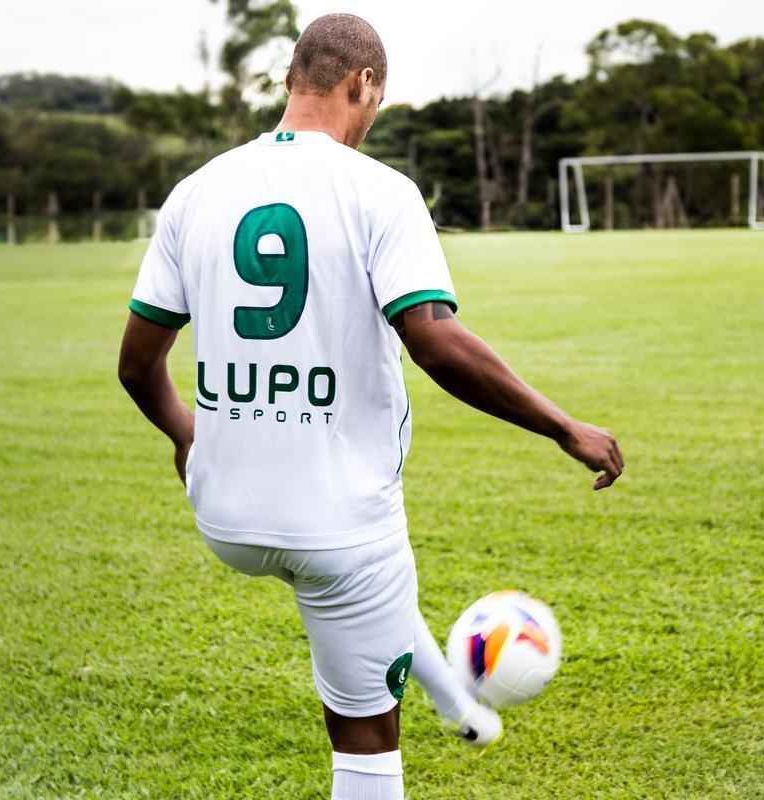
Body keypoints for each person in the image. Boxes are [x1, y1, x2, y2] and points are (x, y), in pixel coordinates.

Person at [117, 13, 623, 800]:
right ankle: (442, 709)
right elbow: (435, 342)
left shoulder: (196, 191)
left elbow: (136, 363)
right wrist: (563, 426)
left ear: (290, 81)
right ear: (364, 86)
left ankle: (462, 709)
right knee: (363, 719)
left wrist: (188, 434)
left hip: (223, 510)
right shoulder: (381, 192)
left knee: (372, 587)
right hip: (336, 521)